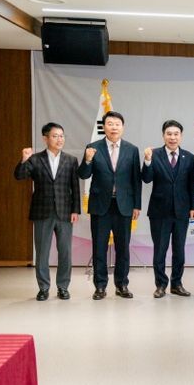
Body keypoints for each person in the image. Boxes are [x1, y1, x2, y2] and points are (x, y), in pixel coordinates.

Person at [78, 111, 142, 300]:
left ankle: (122, 285)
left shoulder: (132, 149)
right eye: (110, 124)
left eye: (117, 124)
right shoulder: (93, 147)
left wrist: (137, 205)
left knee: (123, 248)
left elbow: (136, 180)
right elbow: (83, 174)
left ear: (123, 127)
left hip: (124, 205)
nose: (114, 127)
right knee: (99, 247)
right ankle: (100, 286)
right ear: (104, 127)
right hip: (100, 206)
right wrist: (87, 160)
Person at [14, 122, 80, 301]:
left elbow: (75, 187)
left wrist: (75, 210)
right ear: (45, 138)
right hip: (42, 212)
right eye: (55, 136)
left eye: (62, 136)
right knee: (42, 252)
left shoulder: (71, 160)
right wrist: (24, 159)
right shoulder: (35, 159)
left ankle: (63, 287)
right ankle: (43, 288)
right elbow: (19, 176)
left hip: (65, 212)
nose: (59, 139)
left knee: (65, 252)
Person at [141, 120, 194, 298]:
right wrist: (147, 161)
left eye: (176, 134)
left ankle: (177, 284)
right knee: (160, 250)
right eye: (169, 134)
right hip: (159, 211)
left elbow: (191, 184)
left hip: (182, 211)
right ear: (163, 135)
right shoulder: (154, 154)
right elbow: (146, 178)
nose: (172, 137)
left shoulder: (189, 157)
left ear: (181, 136)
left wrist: (193, 206)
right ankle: (160, 285)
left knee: (179, 250)